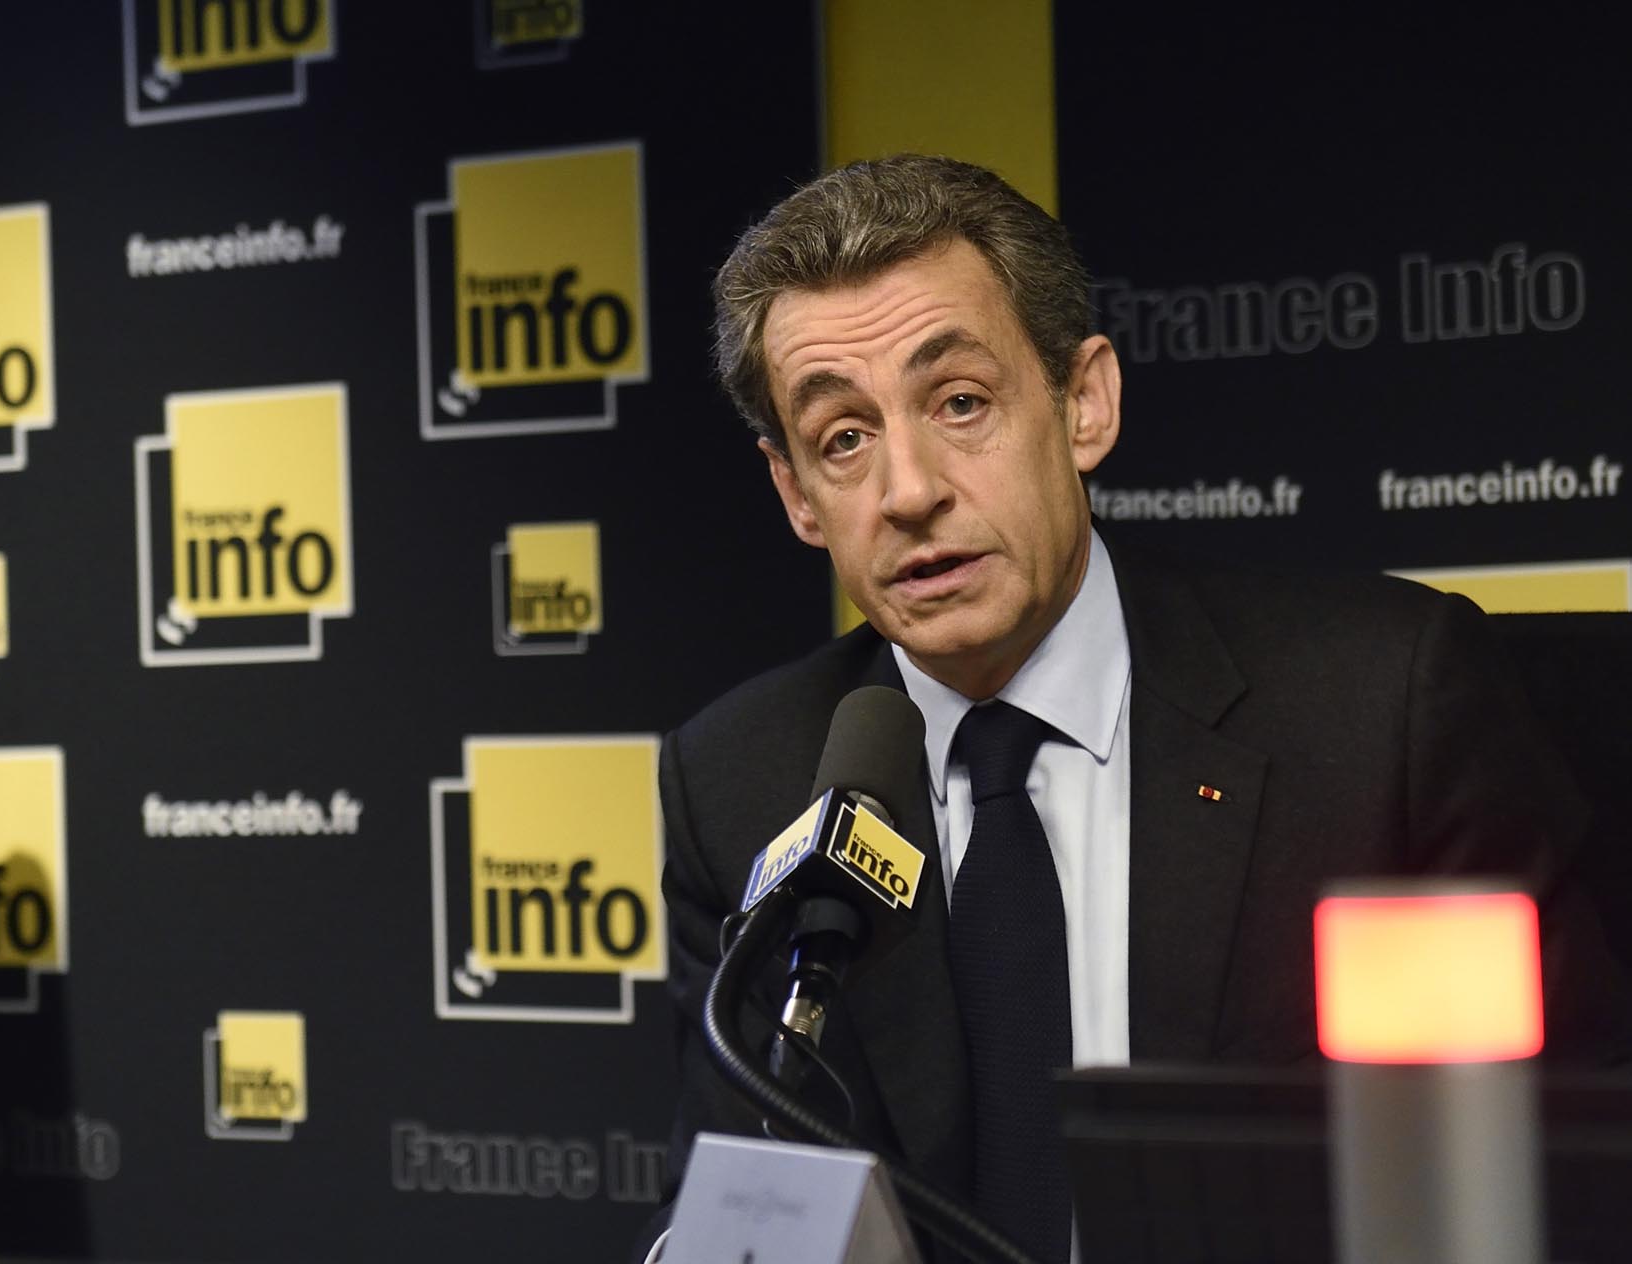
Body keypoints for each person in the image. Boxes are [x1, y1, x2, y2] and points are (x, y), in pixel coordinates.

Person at [643, 154, 1629, 1263]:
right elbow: (724, 1198)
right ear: (796, 494)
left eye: (960, 402)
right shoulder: (741, 780)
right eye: (844, 438)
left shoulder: (1377, 711)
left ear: (1084, 404)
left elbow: (1567, 1165)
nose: (908, 490)